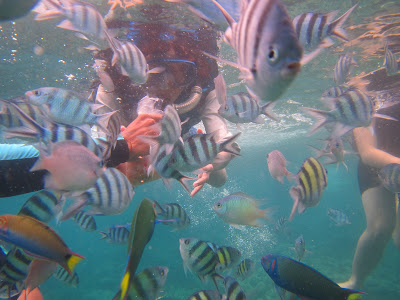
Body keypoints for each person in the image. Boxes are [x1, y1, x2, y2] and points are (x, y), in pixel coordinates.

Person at [0, 2, 238, 198]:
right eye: (154, 72)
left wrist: (212, 165)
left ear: (194, 75)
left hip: (182, 148)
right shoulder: (113, 90)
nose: (165, 85)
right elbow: (89, 161)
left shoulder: (205, 93)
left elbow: (221, 166)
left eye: (180, 74)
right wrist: (123, 151)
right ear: (140, 71)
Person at [340, 68, 400, 289]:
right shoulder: (362, 96)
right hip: (376, 168)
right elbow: (367, 153)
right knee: (380, 228)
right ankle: (356, 281)